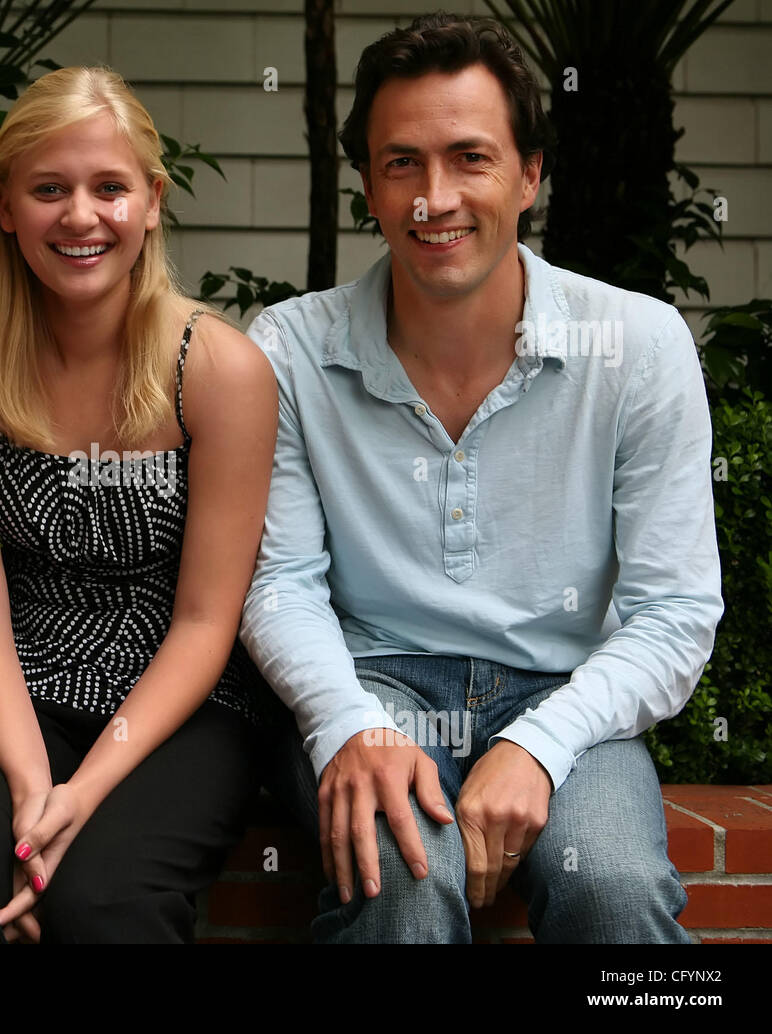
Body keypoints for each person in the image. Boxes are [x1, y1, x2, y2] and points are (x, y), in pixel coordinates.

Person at [240, 12, 723, 943]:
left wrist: (537, 748)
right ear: (369, 189)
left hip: (567, 692)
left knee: (615, 887)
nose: (435, 197)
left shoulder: (637, 344)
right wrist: (346, 723)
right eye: (401, 164)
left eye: (471, 157)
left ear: (530, 175)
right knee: (406, 879)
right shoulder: (292, 349)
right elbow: (279, 583)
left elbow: (674, 613)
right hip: (370, 681)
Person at [0, 66, 278, 943]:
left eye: (110, 187)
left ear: (152, 202)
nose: (80, 216)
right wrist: (32, 787)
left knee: (105, 901)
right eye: (50, 189)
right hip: (16, 690)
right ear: (5, 207)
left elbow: (207, 620)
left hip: (185, 704)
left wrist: (82, 795)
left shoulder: (220, 372)